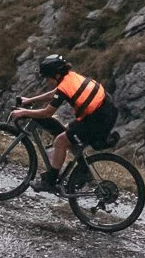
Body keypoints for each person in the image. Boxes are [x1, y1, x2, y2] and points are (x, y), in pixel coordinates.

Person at [12, 54, 117, 193]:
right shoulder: (69, 77)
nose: (46, 81)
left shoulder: (65, 86)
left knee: (60, 141)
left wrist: (23, 112)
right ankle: (83, 171)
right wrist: (30, 100)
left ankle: (50, 182)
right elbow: (56, 92)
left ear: (55, 75)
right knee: (67, 133)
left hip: (98, 120)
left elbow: (47, 113)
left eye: (47, 77)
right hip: (103, 111)